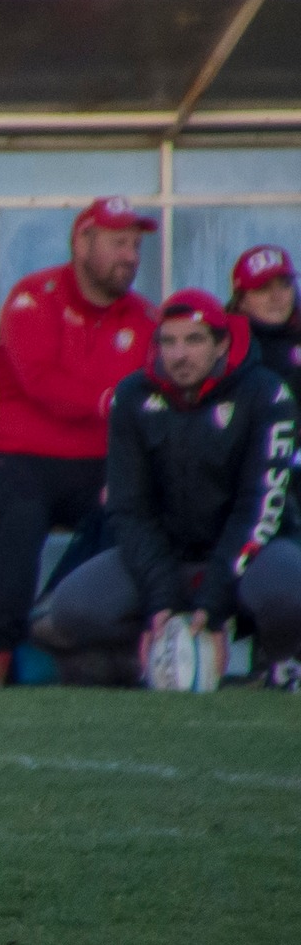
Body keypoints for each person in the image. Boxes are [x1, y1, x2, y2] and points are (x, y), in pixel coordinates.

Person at [35, 290, 300, 692]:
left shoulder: (266, 395)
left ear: (221, 344)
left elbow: (260, 507)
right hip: (169, 554)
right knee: (75, 608)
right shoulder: (133, 396)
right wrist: (163, 603)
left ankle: (281, 660)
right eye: (169, 341)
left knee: (289, 589)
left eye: (194, 340)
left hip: (251, 553)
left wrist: (211, 606)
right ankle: (146, 663)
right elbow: (128, 508)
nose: (179, 354)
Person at [0, 197, 159, 687]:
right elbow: (41, 381)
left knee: (133, 510)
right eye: (119, 243)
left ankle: (94, 639)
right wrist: (116, 402)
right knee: (23, 510)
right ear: (82, 242)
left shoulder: (145, 319)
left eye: (135, 245)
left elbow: (154, 398)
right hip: (14, 458)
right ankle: (2, 652)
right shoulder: (34, 296)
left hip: (97, 463)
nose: (131, 256)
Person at [231, 245, 301, 411]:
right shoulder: (225, 346)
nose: (277, 297)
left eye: (285, 285)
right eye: (263, 288)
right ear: (241, 300)